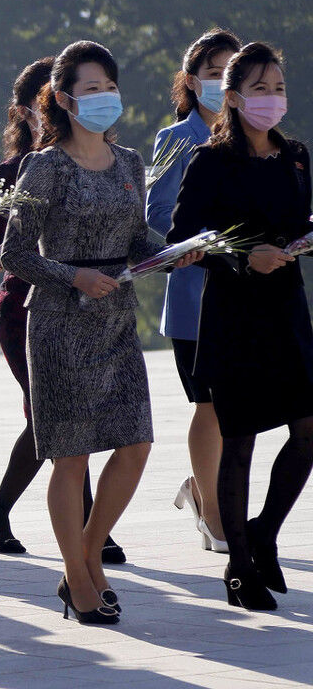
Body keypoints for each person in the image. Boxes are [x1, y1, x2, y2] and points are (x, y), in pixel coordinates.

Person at [2, 40, 200, 624]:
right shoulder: (44, 166)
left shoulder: (129, 162)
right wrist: (73, 275)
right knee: (71, 457)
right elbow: (14, 254)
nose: (103, 97)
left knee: (135, 442)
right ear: (63, 100)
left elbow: (139, 238)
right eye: (90, 89)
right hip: (60, 322)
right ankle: (81, 578)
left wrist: (174, 253)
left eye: (109, 86)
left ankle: (83, 557)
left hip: (116, 319)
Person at [168, 42, 313, 611]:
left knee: (306, 430)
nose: (272, 99)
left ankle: (264, 531)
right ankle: (237, 565)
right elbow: (187, 236)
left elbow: (300, 221)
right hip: (233, 313)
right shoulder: (210, 160)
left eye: (278, 88)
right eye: (259, 89)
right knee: (240, 441)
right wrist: (241, 255)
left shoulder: (295, 155)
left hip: (286, 307)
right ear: (231, 98)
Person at [0, 59, 117, 565]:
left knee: (62, 417)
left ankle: (0, 508)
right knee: (53, 416)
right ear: (27, 111)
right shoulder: (18, 169)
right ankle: (82, 524)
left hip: (91, 303)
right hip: (26, 306)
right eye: (39, 102)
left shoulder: (106, 160)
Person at [146, 28, 242, 554]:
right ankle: (214, 512)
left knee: (237, 408)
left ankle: (204, 491)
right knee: (209, 404)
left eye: (230, 75)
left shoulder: (257, 138)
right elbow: (158, 214)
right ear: (192, 81)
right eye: (212, 73)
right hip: (195, 296)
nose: (221, 84)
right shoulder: (175, 139)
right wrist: (206, 239)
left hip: (247, 294)